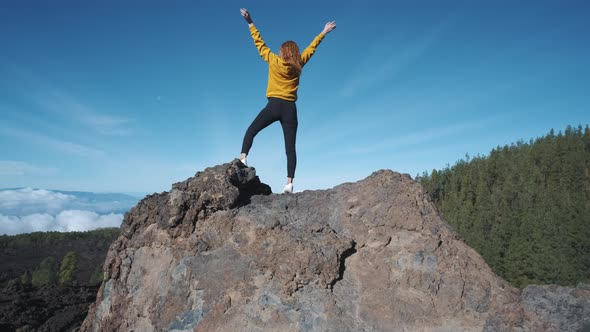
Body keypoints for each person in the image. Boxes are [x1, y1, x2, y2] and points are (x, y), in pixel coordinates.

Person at [238, 8, 336, 194]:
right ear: (295, 53)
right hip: (290, 109)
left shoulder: (273, 61)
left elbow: (259, 43)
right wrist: (323, 32)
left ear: (282, 52)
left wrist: (250, 22)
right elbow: (312, 48)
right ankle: (289, 183)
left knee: (251, 130)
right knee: (290, 148)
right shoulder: (300, 64)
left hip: (274, 105)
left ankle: (243, 159)